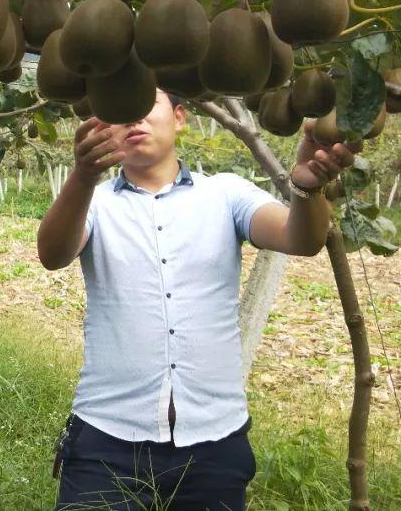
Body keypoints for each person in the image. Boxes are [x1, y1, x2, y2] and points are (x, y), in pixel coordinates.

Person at [36, 89, 358, 510]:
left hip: (214, 444)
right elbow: (53, 253)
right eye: (122, 109)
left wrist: (306, 188)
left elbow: (301, 238)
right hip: (107, 438)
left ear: (181, 117)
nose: (135, 118)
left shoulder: (226, 194)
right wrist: (82, 176)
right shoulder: (92, 204)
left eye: (148, 105)